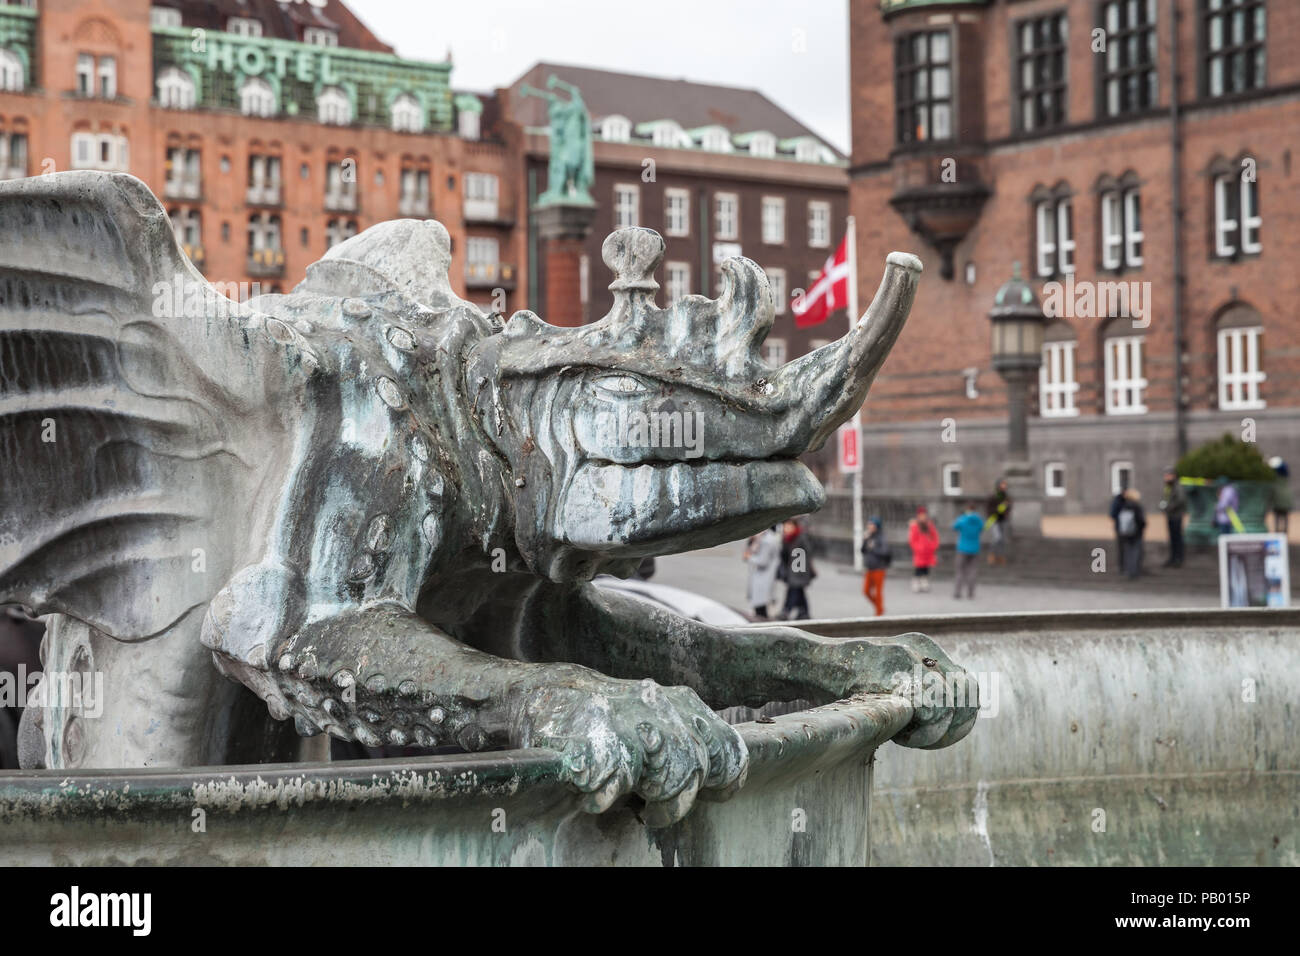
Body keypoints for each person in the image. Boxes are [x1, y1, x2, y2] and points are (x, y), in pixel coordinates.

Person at [777, 519, 815, 620]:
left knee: (793, 590)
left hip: (799, 570)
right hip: (792, 570)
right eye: (785, 526)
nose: (786, 528)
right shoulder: (787, 538)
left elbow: (808, 552)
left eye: (788, 526)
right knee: (799, 592)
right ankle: (804, 612)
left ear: (794, 526)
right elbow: (784, 555)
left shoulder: (801, 536)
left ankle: (786, 610)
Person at [743, 526, 781, 619]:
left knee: (760, 608)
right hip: (764, 578)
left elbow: (763, 561)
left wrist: (749, 557)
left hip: (763, 578)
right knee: (761, 607)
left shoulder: (766, 540)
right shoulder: (767, 538)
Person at [952, 501, 983, 599]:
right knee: (972, 571)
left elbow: (954, 526)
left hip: (962, 548)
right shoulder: (979, 520)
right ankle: (970, 593)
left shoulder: (963, 519)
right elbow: (983, 527)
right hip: (975, 548)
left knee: (960, 571)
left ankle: (957, 592)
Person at [860, 517, 891, 616]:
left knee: (878, 593)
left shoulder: (881, 537)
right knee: (866, 591)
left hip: (879, 568)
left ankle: (878, 613)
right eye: (869, 524)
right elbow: (863, 551)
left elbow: (885, 552)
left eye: (871, 524)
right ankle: (880, 608)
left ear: (876, 526)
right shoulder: (869, 536)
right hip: (869, 568)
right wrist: (864, 541)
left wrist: (873, 549)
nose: (869, 526)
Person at [907, 506, 940, 592]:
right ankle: (917, 582)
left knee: (926, 567)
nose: (922, 517)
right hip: (919, 551)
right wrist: (917, 548)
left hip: (928, 551)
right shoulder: (914, 526)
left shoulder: (929, 525)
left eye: (924, 515)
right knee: (918, 567)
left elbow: (935, 537)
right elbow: (912, 539)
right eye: (921, 515)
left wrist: (933, 546)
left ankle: (924, 582)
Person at [1116, 488, 1146, 579]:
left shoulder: (1124, 505)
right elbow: (1141, 520)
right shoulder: (1136, 506)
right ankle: (1134, 571)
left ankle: (1128, 570)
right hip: (1136, 532)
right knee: (1136, 551)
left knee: (1127, 551)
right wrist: (1142, 527)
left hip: (1125, 532)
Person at [1159, 467, 1186, 568]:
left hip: (1176, 515)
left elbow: (1180, 500)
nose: (1166, 477)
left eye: (1168, 475)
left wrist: (1169, 507)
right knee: (1172, 537)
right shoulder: (1168, 487)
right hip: (1170, 515)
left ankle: (1178, 558)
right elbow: (1165, 498)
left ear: (1173, 476)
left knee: (1177, 537)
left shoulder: (1177, 487)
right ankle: (1173, 557)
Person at [984, 478, 1012, 565]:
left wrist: (1006, 508)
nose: (1004, 486)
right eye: (1002, 484)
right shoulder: (993, 496)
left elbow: (1008, 507)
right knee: (997, 538)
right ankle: (991, 555)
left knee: (1002, 539)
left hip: (1003, 519)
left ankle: (1000, 556)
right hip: (994, 519)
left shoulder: (1006, 496)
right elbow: (989, 508)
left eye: (1005, 484)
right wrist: (1002, 507)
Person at [1269, 457, 1291, 536]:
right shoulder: (1283, 478)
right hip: (1284, 501)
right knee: (1283, 520)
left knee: (1278, 520)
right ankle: (1283, 535)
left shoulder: (1277, 479)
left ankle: (1279, 535)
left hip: (1279, 501)